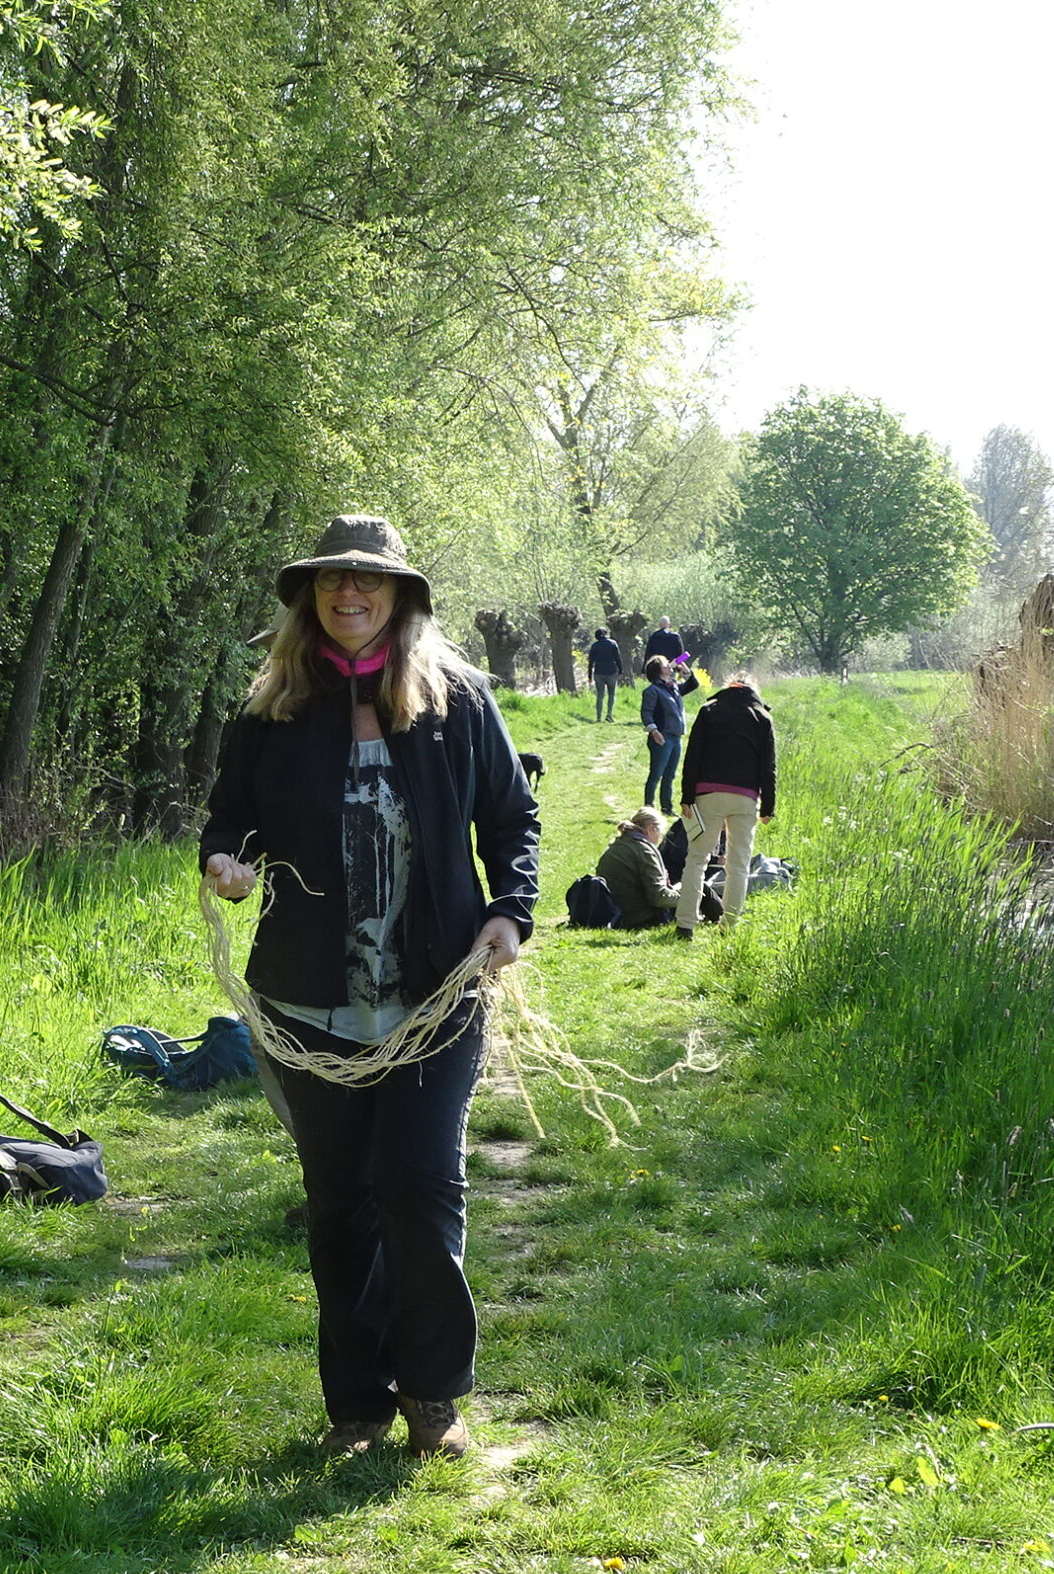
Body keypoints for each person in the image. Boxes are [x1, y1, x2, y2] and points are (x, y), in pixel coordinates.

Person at [201, 513, 539, 1459]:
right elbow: (232, 820)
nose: (349, 596)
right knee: (339, 1198)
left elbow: (512, 813)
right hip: (311, 1006)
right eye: (331, 583)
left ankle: (435, 1394)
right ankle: (356, 1402)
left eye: (370, 583)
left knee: (420, 1183)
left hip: (437, 996)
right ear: (311, 599)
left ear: (400, 598)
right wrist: (227, 861)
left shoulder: (458, 701)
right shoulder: (269, 710)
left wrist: (510, 909)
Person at [677, 671, 777, 940]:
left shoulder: (708, 711)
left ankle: (685, 924)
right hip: (745, 797)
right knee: (738, 864)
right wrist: (768, 807)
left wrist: (687, 796)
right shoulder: (763, 718)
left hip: (707, 793)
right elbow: (768, 767)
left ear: (728, 686)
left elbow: (692, 756)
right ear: (752, 689)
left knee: (697, 859)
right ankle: (728, 926)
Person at [594, 808, 718, 930]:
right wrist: (691, 898)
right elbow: (659, 897)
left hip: (616, 911)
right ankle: (724, 921)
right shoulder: (645, 851)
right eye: (660, 832)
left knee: (692, 888)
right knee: (701, 888)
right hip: (639, 917)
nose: (660, 837)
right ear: (651, 829)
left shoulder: (618, 845)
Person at [638, 654, 698, 813]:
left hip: (676, 737)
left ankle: (666, 808)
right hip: (662, 737)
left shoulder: (673, 687)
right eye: (665, 664)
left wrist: (686, 671)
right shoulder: (652, 690)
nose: (669, 666)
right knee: (656, 773)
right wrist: (654, 731)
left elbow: (693, 685)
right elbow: (646, 714)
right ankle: (648, 808)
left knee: (670, 775)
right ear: (658, 670)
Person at [585, 627, 624, 722]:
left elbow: (591, 662)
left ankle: (598, 717)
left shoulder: (595, 646)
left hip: (598, 673)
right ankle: (609, 715)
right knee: (611, 694)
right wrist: (621, 671)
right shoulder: (613, 644)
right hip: (611, 672)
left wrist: (589, 675)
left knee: (600, 695)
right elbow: (617, 658)